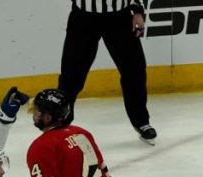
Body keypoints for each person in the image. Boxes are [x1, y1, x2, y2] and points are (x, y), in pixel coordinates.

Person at [58, 0, 155, 145]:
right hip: (84, 17)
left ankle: (141, 121)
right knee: (71, 75)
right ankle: (60, 123)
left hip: (119, 17)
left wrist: (137, 10)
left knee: (134, 71)